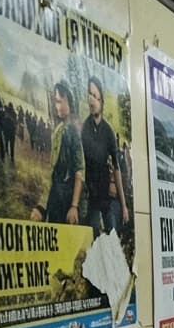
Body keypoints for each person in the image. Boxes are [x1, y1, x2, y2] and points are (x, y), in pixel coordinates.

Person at [81, 76, 129, 237]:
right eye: (90, 95)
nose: (92, 100)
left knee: (112, 235)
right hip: (90, 196)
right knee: (93, 235)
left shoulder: (108, 131)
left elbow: (116, 168)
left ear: (101, 101)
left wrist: (123, 206)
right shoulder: (84, 129)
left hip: (106, 196)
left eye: (96, 96)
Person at [30, 82, 84, 225]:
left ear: (68, 101)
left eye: (59, 101)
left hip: (68, 200)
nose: (56, 106)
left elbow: (79, 171)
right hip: (55, 197)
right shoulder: (58, 130)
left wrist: (74, 206)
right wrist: (42, 206)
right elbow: (52, 171)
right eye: (55, 102)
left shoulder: (74, 131)